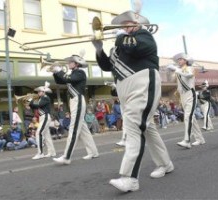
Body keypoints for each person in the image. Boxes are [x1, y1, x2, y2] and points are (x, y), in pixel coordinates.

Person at [92, 10, 174, 192]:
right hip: (126, 93)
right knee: (148, 128)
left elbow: (135, 47)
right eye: (122, 25)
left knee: (133, 128)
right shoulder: (120, 46)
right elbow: (108, 66)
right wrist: (99, 49)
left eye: (127, 25)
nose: (123, 28)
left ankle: (129, 178)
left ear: (137, 25)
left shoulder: (143, 36)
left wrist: (121, 37)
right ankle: (165, 164)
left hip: (142, 86)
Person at [52, 53, 99, 164]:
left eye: (70, 62)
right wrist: (55, 72)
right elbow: (60, 81)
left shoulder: (80, 73)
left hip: (77, 100)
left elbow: (67, 78)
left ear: (76, 64)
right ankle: (93, 152)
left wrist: (59, 71)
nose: (68, 64)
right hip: (74, 101)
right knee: (83, 129)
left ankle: (66, 157)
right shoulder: (72, 73)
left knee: (73, 129)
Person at [168, 53, 205, 148]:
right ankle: (200, 139)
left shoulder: (190, 68)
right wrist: (170, 71)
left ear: (185, 60)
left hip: (190, 94)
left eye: (180, 59)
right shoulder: (179, 70)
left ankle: (187, 140)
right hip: (182, 95)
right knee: (191, 118)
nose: (178, 61)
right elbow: (171, 80)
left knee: (187, 117)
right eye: (178, 60)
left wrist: (176, 69)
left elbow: (189, 75)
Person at [29, 82, 56, 159]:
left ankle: (40, 153)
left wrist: (31, 100)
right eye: (38, 91)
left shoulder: (45, 98)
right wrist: (30, 101)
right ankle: (52, 152)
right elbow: (34, 107)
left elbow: (38, 105)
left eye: (39, 91)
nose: (38, 93)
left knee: (39, 133)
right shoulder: (41, 99)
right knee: (47, 136)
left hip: (45, 117)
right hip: (42, 117)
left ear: (44, 92)